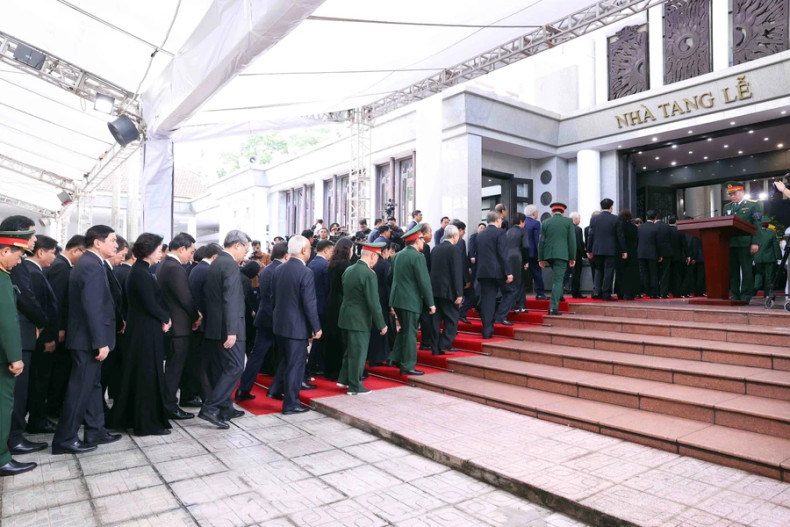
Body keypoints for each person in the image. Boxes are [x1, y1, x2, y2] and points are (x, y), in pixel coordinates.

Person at [52, 225, 121, 455]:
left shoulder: (92, 263)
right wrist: (100, 341)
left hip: (86, 338)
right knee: (80, 389)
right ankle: (65, 439)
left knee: (92, 386)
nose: (116, 245)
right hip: (87, 340)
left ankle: (95, 430)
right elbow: (92, 307)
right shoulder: (91, 265)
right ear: (97, 243)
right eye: (112, 240)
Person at [107, 234, 172, 436]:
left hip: (143, 328)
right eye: (159, 249)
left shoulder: (141, 270)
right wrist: (166, 318)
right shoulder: (140, 273)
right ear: (149, 251)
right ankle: (147, 423)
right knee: (147, 375)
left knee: (141, 374)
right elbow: (150, 303)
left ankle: (135, 418)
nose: (161, 253)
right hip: (145, 331)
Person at [6, 224, 51, 455]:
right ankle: (13, 438)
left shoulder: (16, 263)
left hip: (20, 336)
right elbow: (26, 298)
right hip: (19, 336)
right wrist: (42, 322)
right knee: (16, 392)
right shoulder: (14, 265)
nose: (34, 240)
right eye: (31, 235)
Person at [198, 230, 250, 429]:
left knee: (222, 368)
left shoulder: (217, 261)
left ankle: (226, 407)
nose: (245, 253)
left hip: (216, 326)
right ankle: (211, 407)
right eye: (245, 249)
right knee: (236, 366)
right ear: (237, 245)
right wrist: (232, 330)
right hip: (229, 327)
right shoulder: (229, 264)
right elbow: (231, 299)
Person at [0, 228, 37, 476]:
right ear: (5, 251)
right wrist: (15, 357)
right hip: (3, 358)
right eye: (18, 254)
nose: (20, 260)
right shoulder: (2, 279)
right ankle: (2, 458)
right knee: (3, 407)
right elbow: (7, 322)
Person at [272, 236, 321, 414]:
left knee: (286, 362)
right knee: (296, 366)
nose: (311, 251)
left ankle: (277, 392)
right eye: (309, 248)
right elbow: (309, 303)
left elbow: (274, 298)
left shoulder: (279, 269)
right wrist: (316, 327)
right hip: (296, 327)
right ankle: (291, 404)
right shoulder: (305, 272)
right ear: (303, 250)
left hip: (280, 324)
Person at [16, 235, 59, 442]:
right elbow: (38, 308)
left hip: (38, 337)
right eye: (52, 252)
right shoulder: (32, 273)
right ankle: (35, 421)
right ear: (41, 252)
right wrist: (47, 337)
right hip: (39, 338)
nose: (54, 257)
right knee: (37, 382)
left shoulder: (34, 271)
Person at [157, 232, 201, 420]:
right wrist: (196, 316)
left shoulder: (164, 264)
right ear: (182, 249)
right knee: (174, 369)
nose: (191, 257)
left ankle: (171, 402)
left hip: (174, 325)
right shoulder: (174, 267)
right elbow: (185, 298)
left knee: (174, 367)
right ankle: (169, 405)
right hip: (179, 327)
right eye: (191, 252)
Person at [237, 242, 288, 402]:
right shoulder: (281, 271)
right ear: (286, 255)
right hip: (277, 320)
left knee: (256, 356)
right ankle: (276, 389)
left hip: (264, 318)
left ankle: (243, 389)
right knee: (288, 354)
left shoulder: (266, 270)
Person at [337, 242, 387, 395]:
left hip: (346, 316)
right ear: (372, 256)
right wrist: (381, 324)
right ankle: (355, 386)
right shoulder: (368, 274)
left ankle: (344, 379)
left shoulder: (349, 270)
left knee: (350, 351)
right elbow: (373, 302)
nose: (376, 261)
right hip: (360, 319)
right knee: (358, 352)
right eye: (377, 257)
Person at [44, 234, 84, 419]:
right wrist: (59, 329)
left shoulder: (64, 265)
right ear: (75, 250)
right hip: (59, 329)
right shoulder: (61, 267)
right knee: (59, 370)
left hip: (62, 327)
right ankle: (53, 407)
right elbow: (57, 301)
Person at [389, 223, 435, 375]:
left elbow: (392, 278)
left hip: (397, 299)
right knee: (410, 333)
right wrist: (431, 303)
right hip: (410, 300)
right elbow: (424, 282)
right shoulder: (417, 257)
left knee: (404, 329)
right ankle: (407, 365)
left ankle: (394, 357)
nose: (423, 242)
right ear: (416, 240)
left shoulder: (397, 256)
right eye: (422, 239)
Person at [185, 243, 221, 408]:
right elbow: (208, 301)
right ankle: (202, 394)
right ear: (214, 257)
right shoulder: (207, 271)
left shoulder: (197, 268)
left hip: (197, 322)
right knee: (202, 363)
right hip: (202, 323)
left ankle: (196, 393)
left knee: (197, 361)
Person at [476, 211, 514, 338]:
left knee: (487, 301)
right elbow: (503, 254)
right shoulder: (500, 233)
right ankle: (500, 316)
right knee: (510, 292)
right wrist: (508, 272)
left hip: (483, 272)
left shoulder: (480, 234)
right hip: (497, 271)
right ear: (497, 220)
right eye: (501, 219)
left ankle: (487, 331)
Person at [723, 181, 761, 303]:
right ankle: (735, 295)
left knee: (746, 271)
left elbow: (757, 225)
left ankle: (745, 295)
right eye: (730, 194)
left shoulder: (753, 205)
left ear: (742, 192)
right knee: (733, 271)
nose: (732, 196)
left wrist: (755, 242)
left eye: (734, 193)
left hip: (746, 243)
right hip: (731, 243)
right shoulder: (727, 207)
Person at [323, 237, 354, 381]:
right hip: (340, 303)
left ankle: (330, 369)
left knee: (332, 337)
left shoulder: (332, 264)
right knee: (341, 338)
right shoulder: (346, 266)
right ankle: (340, 371)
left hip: (331, 303)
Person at [430, 225, 463, 354]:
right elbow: (456, 272)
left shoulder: (435, 249)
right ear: (454, 236)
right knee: (452, 319)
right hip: (448, 291)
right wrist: (459, 293)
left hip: (435, 290)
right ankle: (444, 343)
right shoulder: (454, 250)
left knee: (436, 321)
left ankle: (435, 348)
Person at [539, 203, 576, 316]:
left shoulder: (545, 223)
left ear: (552, 212)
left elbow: (541, 242)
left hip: (548, 255)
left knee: (557, 278)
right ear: (563, 212)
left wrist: (540, 258)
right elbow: (572, 241)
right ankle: (553, 307)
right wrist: (572, 257)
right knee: (558, 280)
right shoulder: (568, 222)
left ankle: (559, 296)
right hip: (562, 255)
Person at [587, 198, 625, 301]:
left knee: (598, 270)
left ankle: (596, 291)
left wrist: (589, 250)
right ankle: (606, 293)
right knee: (609, 271)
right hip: (611, 249)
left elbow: (590, 235)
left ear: (601, 207)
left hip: (597, 249)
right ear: (611, 207)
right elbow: (620, 236)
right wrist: (623, 250)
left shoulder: (594, 219)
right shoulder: (615, 219)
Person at [306, 240, 333, 377]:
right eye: (332, 251)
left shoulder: (311, 263)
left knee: (317, 338)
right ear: (326, 250)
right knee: (320, 338)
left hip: (312, 305)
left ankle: (314, 364)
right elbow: (328, 287)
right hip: (323, 306)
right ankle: (313, 365)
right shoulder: (325, 266)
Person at [368, 242, 396, 366]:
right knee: (384, 329)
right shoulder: (385, 265)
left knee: (374, 329)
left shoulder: (370, 264)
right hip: (383, 301)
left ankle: (373, 357)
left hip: (373, 300)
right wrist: (391, 305)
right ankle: (384, 356)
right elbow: (388, 285)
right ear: (385, 251)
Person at [506, 213, 530, 311]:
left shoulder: (508, 231)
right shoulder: (523, 231)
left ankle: (511, 304)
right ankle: (520, 305)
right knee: (519, 282)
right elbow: (525, 246)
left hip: (508, 259)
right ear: (521, 221)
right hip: (518, 258)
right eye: (524, 221)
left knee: (511, 282)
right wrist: (526, 261)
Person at [615, 210, 640, 300]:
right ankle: (629, 293)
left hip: (620, 252)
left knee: (620, 272)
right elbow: (637, 240)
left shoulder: (618, 226)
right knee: (631, 273)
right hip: (632, 252)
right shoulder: (633, 227)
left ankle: (620, 292)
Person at [753, 222, 781, 298]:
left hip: (758, 258)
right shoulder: (771, 234)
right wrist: (779, 257)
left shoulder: (755, 234)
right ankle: (767, 294)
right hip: (769, 258)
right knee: (769, 276)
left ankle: (756, 286)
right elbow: (776, 246)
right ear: (767, 225)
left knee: (758, 274)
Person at [638, 211, 661, 299]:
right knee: (653, 273)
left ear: (646, 217)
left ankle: (646, 291)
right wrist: (660, 254)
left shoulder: (640, 228)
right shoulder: (656, 228)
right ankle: (653, 293)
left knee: (644, 273)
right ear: (655, 218)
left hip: (641, 253)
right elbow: (658, 243)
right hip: (653, 253)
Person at [524, 205, 545, 300]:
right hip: (533, 253)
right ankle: (540, 293)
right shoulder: (536, 223)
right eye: (537, 212)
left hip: (523, 252)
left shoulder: (522, 222)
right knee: (537, 273)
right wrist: (540, 255)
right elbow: (537, 240)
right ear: (533, 213)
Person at [568, 212, 586, 298]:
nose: (580, 220)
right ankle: (575, 292)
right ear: (575, 219)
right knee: (576, 274)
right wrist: (584, 254)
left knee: (565, 274)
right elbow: (579, 244)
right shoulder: (578, 229)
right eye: (579, 218)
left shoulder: (566, 228)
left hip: (566, 254)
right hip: (576, 255)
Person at [656, 216, 673, 299]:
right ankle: (664, 292)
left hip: (655, 253)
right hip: (667, 252)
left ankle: (656, 292)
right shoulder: (667, 227)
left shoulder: (653, 226)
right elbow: (671, 239)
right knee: (665, 273)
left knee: (655, 273)